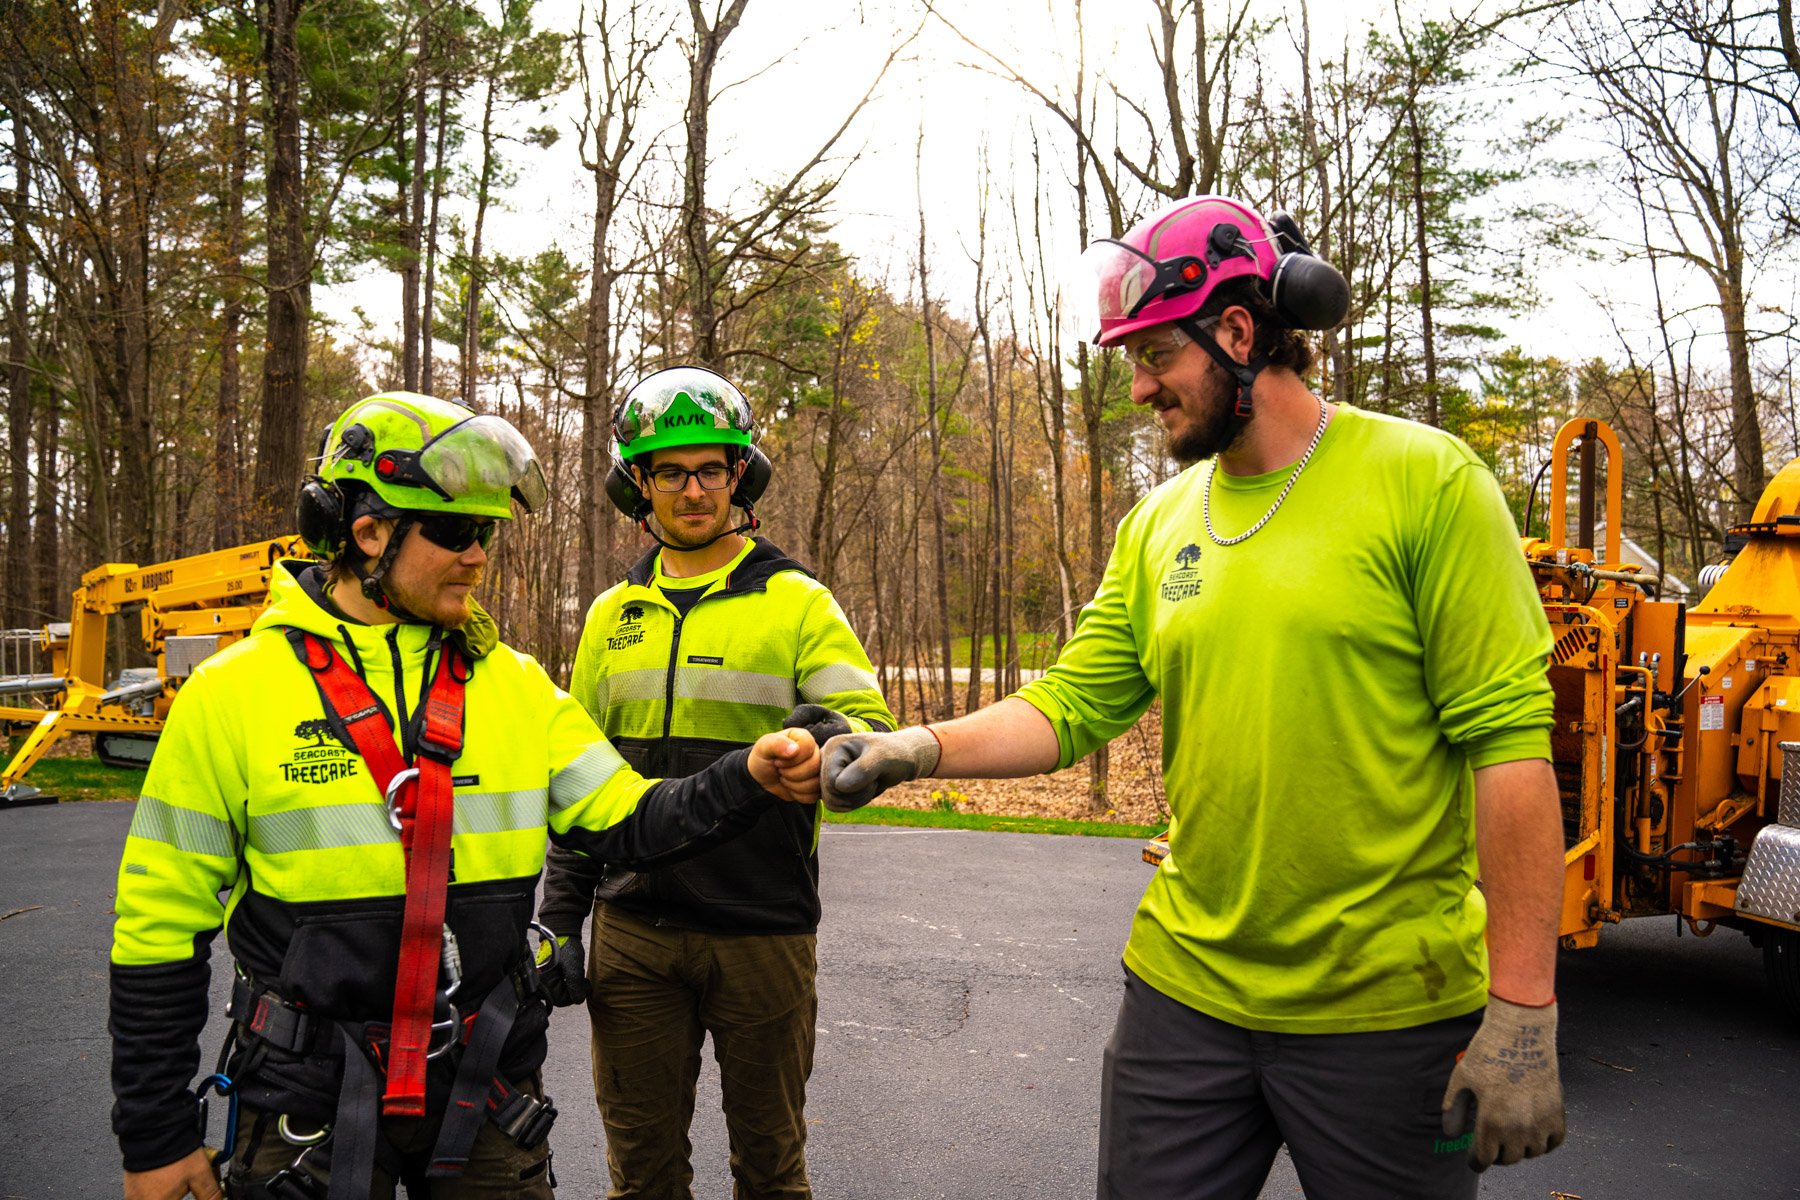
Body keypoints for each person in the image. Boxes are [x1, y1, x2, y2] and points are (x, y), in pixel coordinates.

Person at [820, 196, 1567, 1199]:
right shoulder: (1159, 521)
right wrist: (914, 747)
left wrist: (1524, 1008)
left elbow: (1510, 751)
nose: (1136, 387)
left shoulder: (1426, 483)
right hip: (1185, 999)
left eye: (1155, 355)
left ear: (1238, 332)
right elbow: (1070, 705)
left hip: (1387, 1013)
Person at [109, 390, 823, 1200]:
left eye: (486, 532)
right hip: (307, 1098)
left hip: (485, 1099)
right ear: (368, 532)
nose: (478, 556)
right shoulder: (232, 693)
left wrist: (749, 774)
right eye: (453, 532)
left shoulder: (514, 685)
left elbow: (630, 816)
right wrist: (157, 1137)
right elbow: (157, 928)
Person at [538, 366, 896, 1200]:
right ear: (639, 484)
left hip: (761, 932)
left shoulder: (797, 601)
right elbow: (577, 782)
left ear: (743, 475)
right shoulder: (607, 617)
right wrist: (559, 918)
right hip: (632, 935)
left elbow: (867, 731)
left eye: (712, 469)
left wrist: (819, 744)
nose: (693, 491)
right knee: (641, 1173)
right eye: (670, 471)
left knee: (770, 1168)